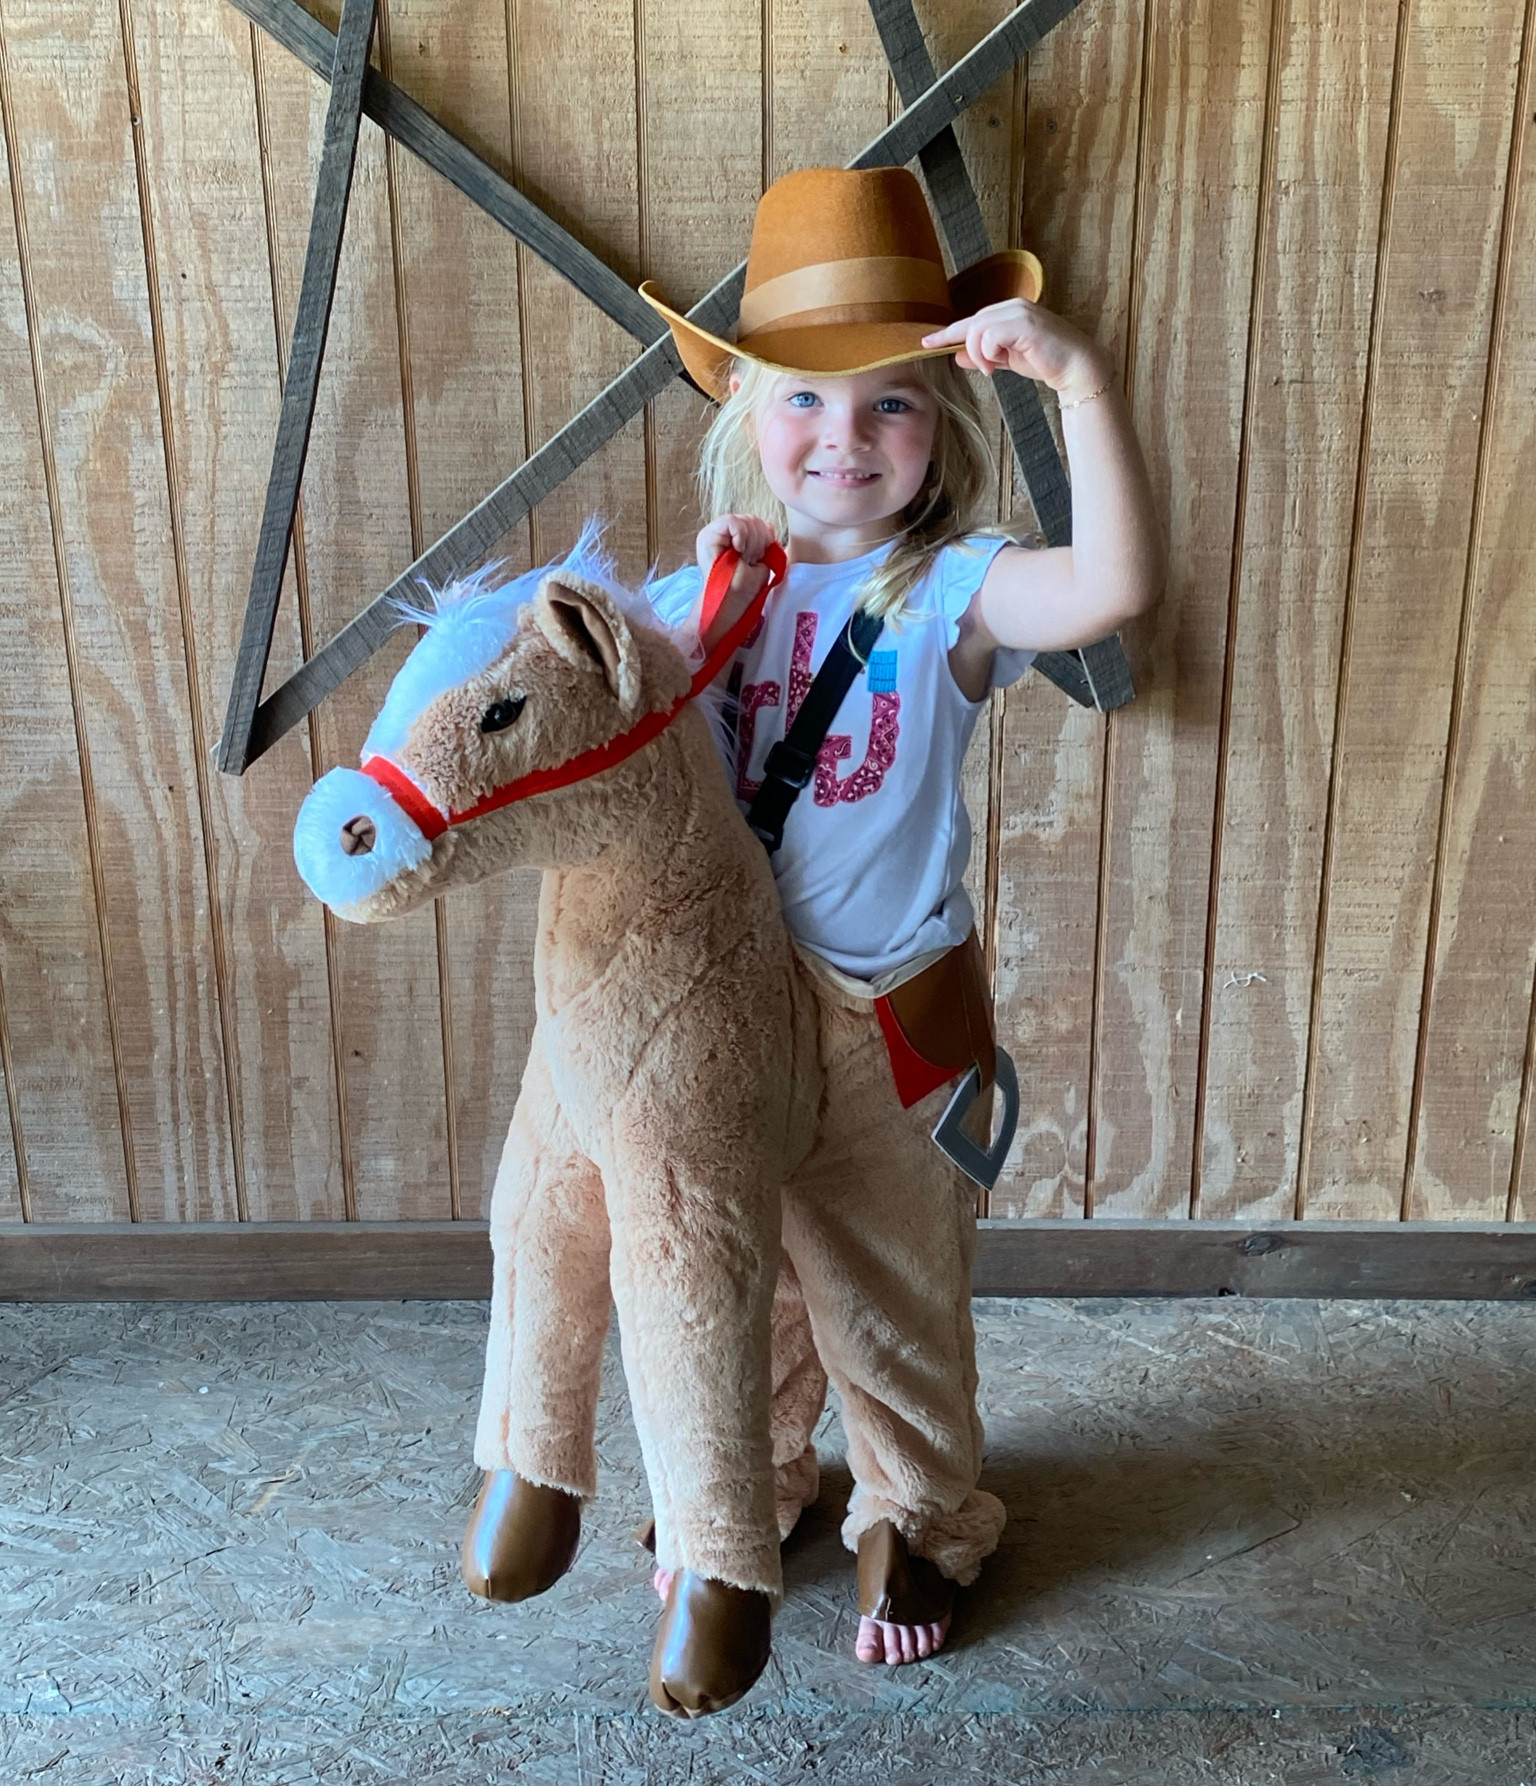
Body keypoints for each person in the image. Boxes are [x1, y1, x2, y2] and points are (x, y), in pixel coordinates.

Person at [637, 165, 1163, 1672]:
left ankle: (920, 1516)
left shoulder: (955, 589)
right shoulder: (705, 592)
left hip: (891, 1016)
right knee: (742, 1274)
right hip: (730, 1014)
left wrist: (1080, 382)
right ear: (746, 416)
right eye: (805, 401)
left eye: (891, 404)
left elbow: (1117, 583)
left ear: (941, 434)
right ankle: (753, 1487)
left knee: (891, 1285)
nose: (844, 439)